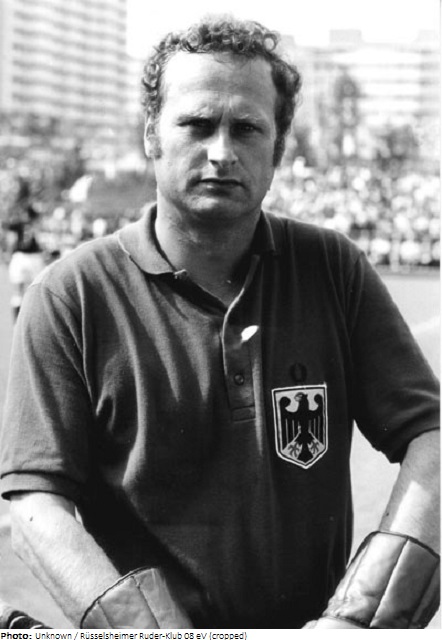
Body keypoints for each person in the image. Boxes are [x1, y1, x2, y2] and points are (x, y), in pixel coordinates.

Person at [0, 16, 439, 630]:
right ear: (151, 134)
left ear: (277, 149)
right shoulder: (70, 295)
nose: (222, 152)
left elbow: (432, 435)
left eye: (247, 128)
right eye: (198, 124)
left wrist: (361, 617)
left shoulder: (332, 268)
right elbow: (35, 506)